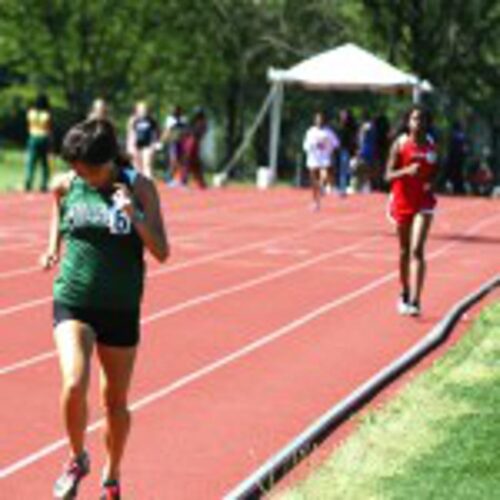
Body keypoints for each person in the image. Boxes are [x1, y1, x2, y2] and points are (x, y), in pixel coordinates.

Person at [40, 118, 169, 499]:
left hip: (120, 307)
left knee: (115, 402)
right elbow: (57, 208)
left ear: (109, 160)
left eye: (90, 169)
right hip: (74, 299)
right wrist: (53, 247)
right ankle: (78, 456)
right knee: (73, 382)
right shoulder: (67, 183)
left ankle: (111, 478)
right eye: (77, 168)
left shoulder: (140, 187)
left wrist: (135, 216)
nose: (83, 175)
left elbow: (162, 251)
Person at [385, 105, 438, 317]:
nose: (419, 123)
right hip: (402, 201)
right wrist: (407, 170)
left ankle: (416, 300)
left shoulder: (432, 145)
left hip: (424, 202)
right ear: (408, 122)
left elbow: (437, 171)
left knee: (417, 249)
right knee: (404, 251)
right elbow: (387, 175)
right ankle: (405, 292)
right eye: (415, 119)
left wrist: (431, 182)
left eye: (423, 119)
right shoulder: (400, 144)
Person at [302, 111, 339, 211]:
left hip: (324, 159)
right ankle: (316, 202)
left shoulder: (328, 132)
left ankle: (325, 186)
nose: (319, 121)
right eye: (317, 119)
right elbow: (305, 146)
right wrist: (312, 147)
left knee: (325, 174)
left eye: (321, 119)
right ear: (314, 121)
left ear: (324, 120)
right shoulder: (310, 131)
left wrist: (329, 149)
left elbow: (336, 144)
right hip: (313, 159)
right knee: (314, 182)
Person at [24, 93, 52, 192]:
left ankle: (28, 181)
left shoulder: (31, 113)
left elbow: (29, 126)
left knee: (31, 162)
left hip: (32, 137)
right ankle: (44, 184)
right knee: (44, 163)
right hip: (43, 138)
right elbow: (48, 129)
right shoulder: (46, 114)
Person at [127, 101, 159, 179]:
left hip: (147, 144)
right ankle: (137, 185)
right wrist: (129, 146)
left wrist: (154, 144)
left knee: (147, 164)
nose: (142, 111)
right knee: (136, 166)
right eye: (140, 109)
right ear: (136, 110)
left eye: (144, 109)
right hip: (136, 145)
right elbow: (130, 133)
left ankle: (149, 183)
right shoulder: (133, 120)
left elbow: (155, 133)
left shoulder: (151, 120)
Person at [181, 107, 208, 189]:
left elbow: (197, 133)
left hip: (193, 143)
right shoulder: (195, 122)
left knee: (193, 163)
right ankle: (186, 182)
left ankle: (200, 182)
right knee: (190, 162)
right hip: (191, 143)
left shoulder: (201, 123)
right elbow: (187, 133)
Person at [161, 105, 187, 186]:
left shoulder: (183, 119)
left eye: (176, 111)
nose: (175, 112)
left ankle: (182, 179)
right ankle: (168, 178)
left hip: (181, 143)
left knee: (182, 161)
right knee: (174, 161)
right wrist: (162, 141)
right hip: (173, 143)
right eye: (174, 111)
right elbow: (167, 131)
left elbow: (186, 130)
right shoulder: (170, 120)